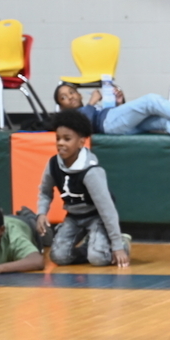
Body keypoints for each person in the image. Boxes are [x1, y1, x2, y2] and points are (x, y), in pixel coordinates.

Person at [36, 109, 131, 268]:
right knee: (58, 257)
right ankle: (93, 248)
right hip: (74, 217)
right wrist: (41, 212)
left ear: (81, 142)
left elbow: (107, 209)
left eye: (67, 139)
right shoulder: (53, 164)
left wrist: (117, 247)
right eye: (58, 138)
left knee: (98, 259)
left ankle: (120, 242)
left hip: (96, 217)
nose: (60, 143)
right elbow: (45, 191)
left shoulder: (91, 172)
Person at [54, 83, 170, 154]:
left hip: (115, 124)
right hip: (108, 124)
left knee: (164, 121)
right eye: (64, 97)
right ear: (61, 106)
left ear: (78, 93)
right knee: (151, 100)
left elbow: (112, 116)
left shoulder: (88, 108)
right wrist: (92, 101)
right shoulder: (69, 117)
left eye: (71, 92)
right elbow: (88, 124)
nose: (70, 97)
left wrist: (120, 103)